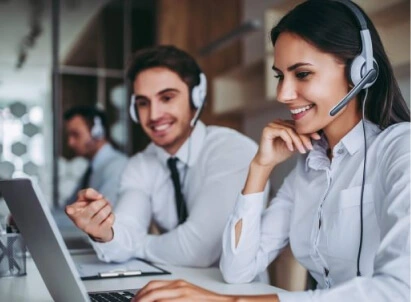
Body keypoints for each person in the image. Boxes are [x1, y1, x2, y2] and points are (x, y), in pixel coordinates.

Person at [132, 1, 410, 301]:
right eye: (280, 76)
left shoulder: (400, 149)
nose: (283, 94)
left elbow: (399, 290)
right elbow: (237, 270)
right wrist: (261, 168)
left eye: (302, 74)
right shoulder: (308, 167)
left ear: (361, 72)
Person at [65, 45, 262, 268]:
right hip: (174, 286)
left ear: (196, 98)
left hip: (238, 293)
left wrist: (136, 245)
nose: (154, 115)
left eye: (167, 98)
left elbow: (198, 250)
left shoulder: (233, 150)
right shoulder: (140, 164)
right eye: (143, 103)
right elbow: (125, 230)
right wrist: (105, 233)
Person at [63, 106, 128, 206]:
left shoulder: (117, 167)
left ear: (97, 132)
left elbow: (101, 213)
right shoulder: (92, 168)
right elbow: (70, 206)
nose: (70, 142)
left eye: (76, 134)